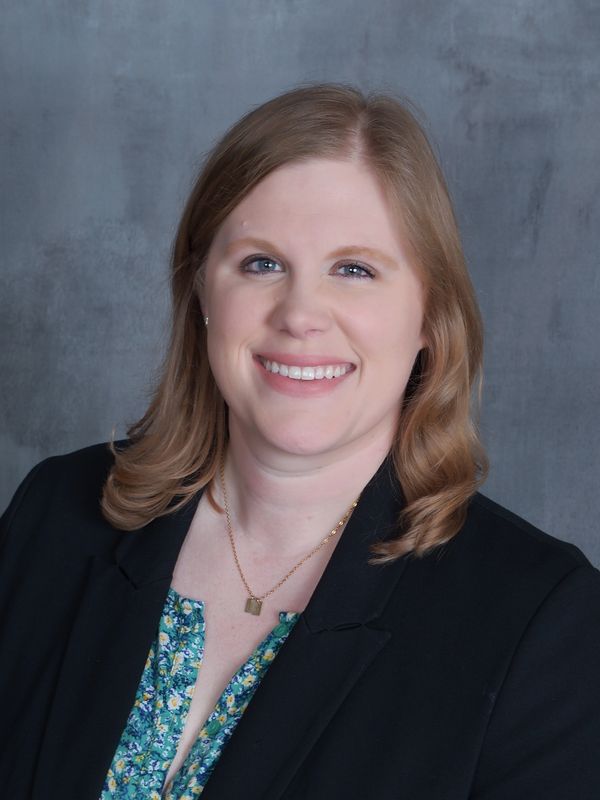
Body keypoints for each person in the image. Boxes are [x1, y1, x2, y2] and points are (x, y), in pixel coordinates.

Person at [1, 84, 599, 800]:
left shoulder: (541, 619)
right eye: (262, 263)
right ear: (201, 292)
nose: (301, 314)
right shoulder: (54, 515)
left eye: (355, 269)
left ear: (429, 318)